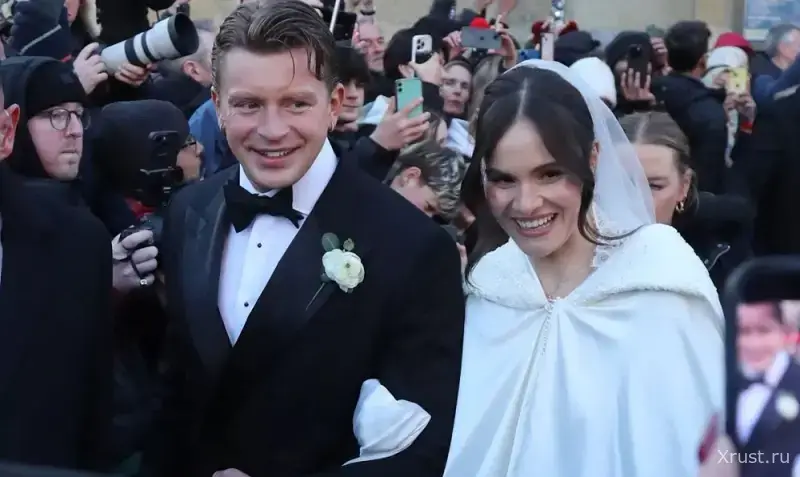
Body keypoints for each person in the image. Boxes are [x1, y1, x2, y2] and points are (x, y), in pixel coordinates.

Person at [146, 2, 465, 476]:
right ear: (218, 105)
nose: (272, 131)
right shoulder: (189, 211)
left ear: (334, 105)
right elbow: (176, 393)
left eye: (296, 103)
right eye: (248, 104)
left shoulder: (414, 247)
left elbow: (419, 448)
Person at [447, 60, 723, 477]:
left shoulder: (660, 276)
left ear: (593, 158)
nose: (526, 203)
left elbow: (694, 441)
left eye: (550, 174)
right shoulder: (490, 285)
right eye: (504, 179)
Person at [0, 58, 113, 470]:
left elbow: (93, 412)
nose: (74, 130)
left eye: (78, 115)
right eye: (55, 115)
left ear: (6, 131)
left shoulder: (81, 244)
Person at [736, 301, 800, 477]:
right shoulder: (728, 383)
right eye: (743, 331)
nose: (754, 344)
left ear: (784, 332)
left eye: (764, 331)